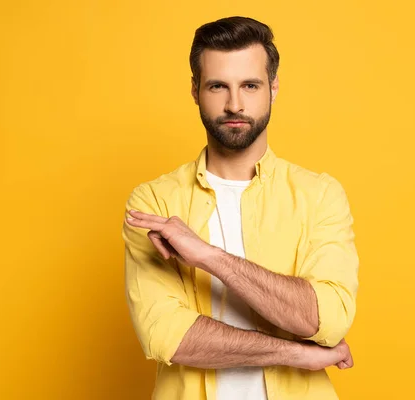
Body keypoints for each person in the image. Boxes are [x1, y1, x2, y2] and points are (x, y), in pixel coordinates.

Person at [122, 16, 359, 400]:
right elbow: (166, 336)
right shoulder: (154, 203)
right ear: (196, 91)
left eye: (250, 85)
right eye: (218, 86)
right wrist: (296, 353)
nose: (235, 104)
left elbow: (324, 319)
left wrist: (209, 257)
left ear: (274, 88)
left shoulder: (320, 195)